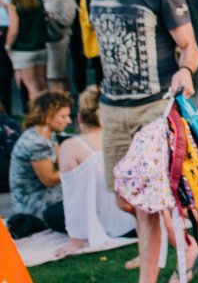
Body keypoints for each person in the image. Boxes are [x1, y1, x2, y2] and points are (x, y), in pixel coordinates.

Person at [79, 0, 198, 283]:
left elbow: (189, 46)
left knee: (146, 207)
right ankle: (191, 238)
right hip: (112, 109)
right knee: (124, 201)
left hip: (154, 109)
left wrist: (185, 70)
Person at [54, 86, 137, 255]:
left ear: (79, 118)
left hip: (107, 225)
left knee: (51, 213)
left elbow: (74, 199)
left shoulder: (71, 146)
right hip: (137, 223)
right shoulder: (126, 137)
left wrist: (75, 243)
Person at [8, 91, 72, 234]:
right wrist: (77, 168)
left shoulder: (47, 134)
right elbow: (49, 180)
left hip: (45, 193)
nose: (69, 121)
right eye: (63, 117)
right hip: (32, 202)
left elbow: (63, 159)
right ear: (48, 116)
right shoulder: (37, 143)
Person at [3, 0, 49, 101]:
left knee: (31, 87)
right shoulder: (38, 2)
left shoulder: (13, 6)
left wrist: (7, 46)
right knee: (43, 84)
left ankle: (37, 113)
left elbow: (13, 30)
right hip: (40, 47)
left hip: (22, 50)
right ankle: (49, 111)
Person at [37, 0, 77, 95]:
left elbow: (68, 19)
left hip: (59, 39)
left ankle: (62, 102)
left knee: (58, 76)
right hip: (47, 39)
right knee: (51, 76)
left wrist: (49, 15)